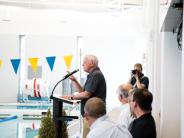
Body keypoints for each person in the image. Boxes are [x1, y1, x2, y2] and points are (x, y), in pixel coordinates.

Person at [62, 54, 106, 138]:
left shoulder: (96, 75)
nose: (82, 64)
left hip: (93, 116)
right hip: (91, 116)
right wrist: (74, 81)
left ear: (92, 63)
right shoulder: (93, 75)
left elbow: (86, 95)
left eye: (84, 62)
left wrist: (71, 97)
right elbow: (83, 92)